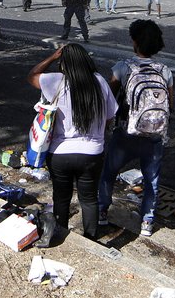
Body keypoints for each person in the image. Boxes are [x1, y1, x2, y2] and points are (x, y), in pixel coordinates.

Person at [28, 44, 118, 240]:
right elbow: (110, 116)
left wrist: (52, 57)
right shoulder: (100, 82)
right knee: (89, 198)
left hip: (60, 153)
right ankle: (91, 238)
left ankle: (60, 233)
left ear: (63, 63)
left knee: (61, 197)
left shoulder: (55, 81)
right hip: (92, 153)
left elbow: (32, 75)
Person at [99, 20, 173, 237]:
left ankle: (102, 211)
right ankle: (147, 222)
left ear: (134, 42)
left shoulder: (122, 67)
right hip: (155, 136)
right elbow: (171, 103)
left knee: (109, 173)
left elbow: (109, 99)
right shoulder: (165, 70)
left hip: (126, 133)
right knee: (152, 180)